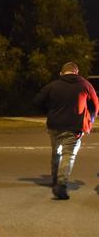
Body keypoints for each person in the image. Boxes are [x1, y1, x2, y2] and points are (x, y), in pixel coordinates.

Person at [34, 61, 98, 200]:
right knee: (68, 155)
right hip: (74, 127)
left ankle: (55, 178)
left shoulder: (52, 86)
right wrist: (90, 119)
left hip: (54, 126)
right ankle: (61, 185)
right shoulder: (85, 85)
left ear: (61, 73)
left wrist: (50, 111)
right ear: (76, 72)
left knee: (56, 152)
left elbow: (37, 101)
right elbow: (95, 104)